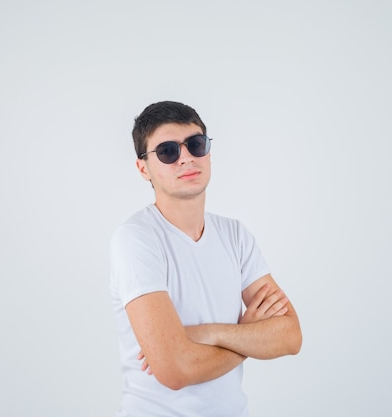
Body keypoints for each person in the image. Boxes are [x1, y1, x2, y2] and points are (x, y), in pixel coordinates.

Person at [110, 101, 302, 417]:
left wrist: (207, 333)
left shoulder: (235, 235)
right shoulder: (136, 239)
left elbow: (290, 336)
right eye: (167, 152)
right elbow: (175, 371)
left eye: (196, 145)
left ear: (208, 153)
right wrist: (246, 336)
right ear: (143, 168)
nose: (186, 157)